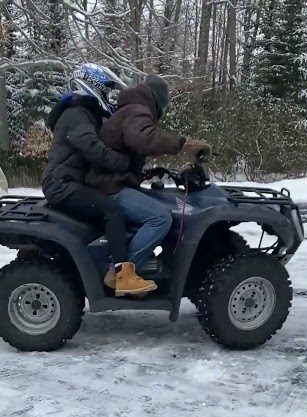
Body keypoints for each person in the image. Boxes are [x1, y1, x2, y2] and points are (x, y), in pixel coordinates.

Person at [41, 64, 156, 297]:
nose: (108, 95)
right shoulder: (76, 114)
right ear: (91, 86)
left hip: (71, 182)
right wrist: (123, 162)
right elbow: (93, 149)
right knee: (112, 211)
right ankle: (122, 275)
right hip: (62, 185)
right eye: (105, 90)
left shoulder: (86, 114)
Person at [86, 74, 210, 287]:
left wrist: (145, 173)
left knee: (156, 203)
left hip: (110, 181)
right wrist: (184, 143)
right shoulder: (137, 111)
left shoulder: (130, 109)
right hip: (110, 187)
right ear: (158, 101)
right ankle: (122, 274)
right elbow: (143, 139)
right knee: (160, 217)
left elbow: (127, 148)